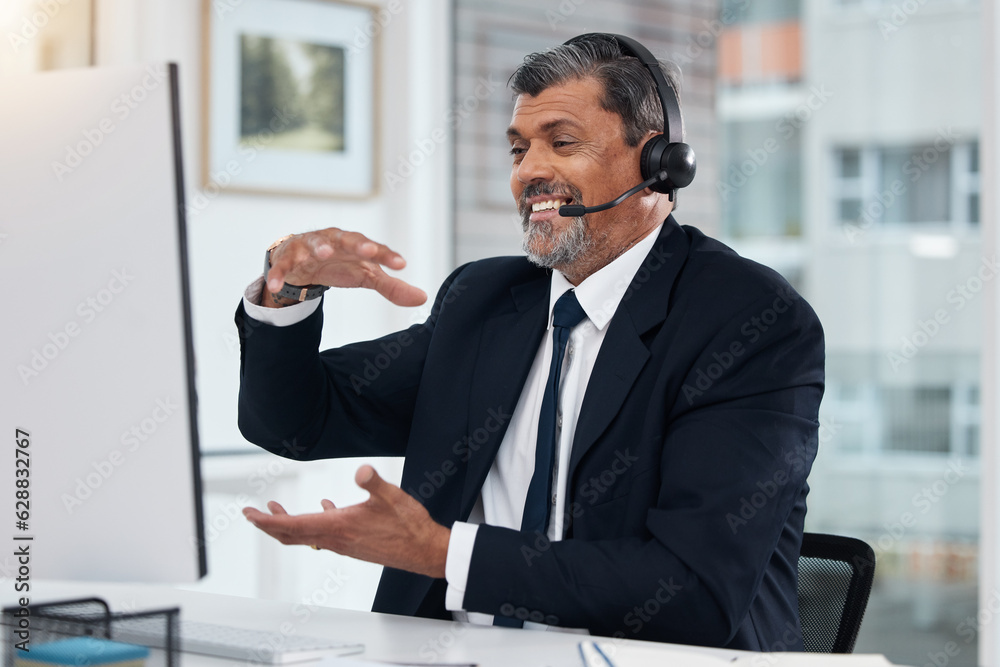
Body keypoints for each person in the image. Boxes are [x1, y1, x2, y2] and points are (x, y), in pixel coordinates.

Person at [236, 33, 824, 651]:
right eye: (519, 150)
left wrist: (444, 553)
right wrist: (288, 292)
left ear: (657, 164)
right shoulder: (486, 300)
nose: (530, 173)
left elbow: (691, 593)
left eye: (562, 143)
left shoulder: (748, 322)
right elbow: (296, 423)